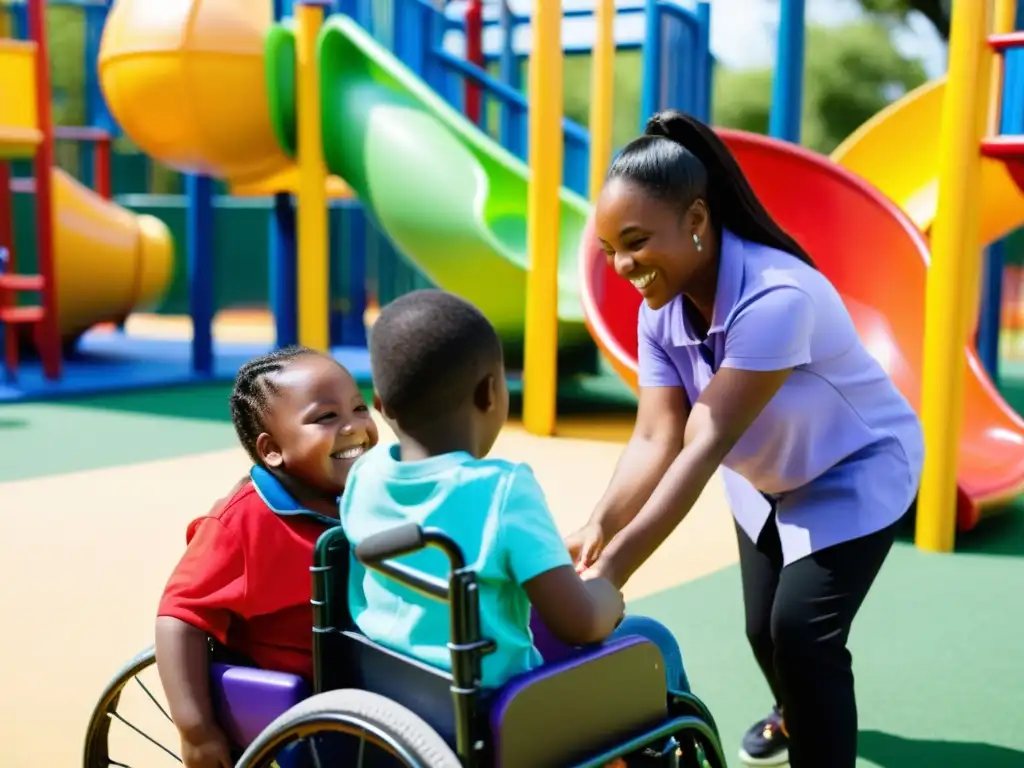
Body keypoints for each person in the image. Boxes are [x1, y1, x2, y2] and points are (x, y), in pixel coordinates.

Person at [565, 110, 924, 768]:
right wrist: (599, 528)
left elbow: (702, 441)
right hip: (764, 473)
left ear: (697, 221)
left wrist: (613, 575)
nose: (622, 264)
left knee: (803, 635)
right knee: (763, 629)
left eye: (636, 241)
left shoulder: (776, 296)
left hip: (852, 469)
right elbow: (655, 435)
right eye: (611, 247)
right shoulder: (661, 309)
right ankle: (793, 712)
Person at [341, 288, 690, 698]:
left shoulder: (363, 475)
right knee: (651, 638)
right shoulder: (502, 490)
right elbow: (579, 624)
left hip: (390, 696)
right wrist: (607, 593)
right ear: (490, 393)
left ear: (382, 405)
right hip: (498, 713)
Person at [155, 347, 379, 768]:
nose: (354, 427)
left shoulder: (376, 493)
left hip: (372, 677)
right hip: (293, 706)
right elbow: (179, 616)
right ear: (272, 449)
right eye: (326, 417)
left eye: (359, 407)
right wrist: (197, 729)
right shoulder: (243, 523)